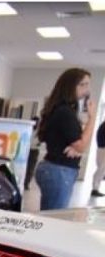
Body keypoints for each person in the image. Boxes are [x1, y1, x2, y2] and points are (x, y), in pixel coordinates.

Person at [35, 68, 95, 210]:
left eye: (88, 85)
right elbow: (82, 145)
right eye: (83, 85)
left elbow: (76, 144)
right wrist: (92, 118)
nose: (87, 90)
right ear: (70, 85)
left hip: (55, 168)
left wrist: (77, 148)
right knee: (52, 221)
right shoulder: (65, 112)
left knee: (50, 218)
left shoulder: (62, 109)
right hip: (59, 170)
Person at [93, 120, 105, 197]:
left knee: (101, 169)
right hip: (103, 149)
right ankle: (95, 189)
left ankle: (95, 188)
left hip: (101, 148)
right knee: (101, 169)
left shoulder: (103, 125)